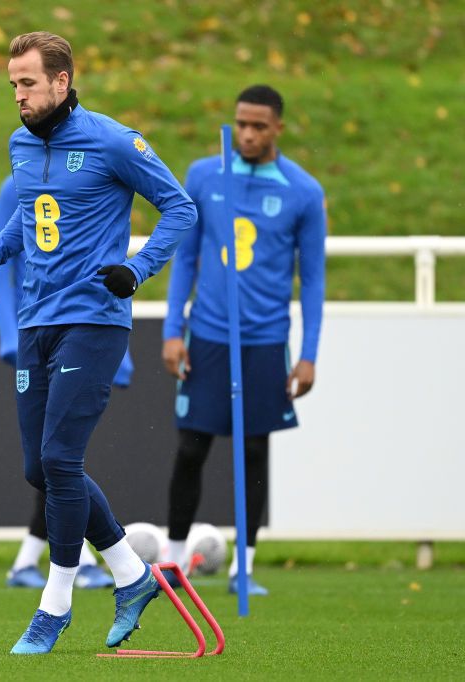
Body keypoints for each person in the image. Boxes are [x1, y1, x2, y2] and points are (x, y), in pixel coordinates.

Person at [0, 32, 197, 654]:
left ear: (62, 82)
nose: (18, 95)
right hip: (35, 321)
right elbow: (29, 211)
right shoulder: (21, 144)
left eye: (28, 83)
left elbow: (180, 208)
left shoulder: (113, 140)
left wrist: (138, 268)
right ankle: (131, 573)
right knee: (37, 468)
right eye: (13, 84)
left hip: (95, 318)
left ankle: (54, 605)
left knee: (61, 460)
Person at [161, 84, 326, 596]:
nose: (248, 134)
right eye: (241, 124)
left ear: (278, 127)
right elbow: (185, 257)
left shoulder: (303, 191)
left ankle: (245, 567)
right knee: (191, 448)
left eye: (259, 126)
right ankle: (170, 563)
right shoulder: (204, 175)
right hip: (208, 333)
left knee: (255, 450)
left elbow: (314, 279)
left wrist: (308, 355)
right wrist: (172, 330)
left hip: (265, 340)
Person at [0, 174, 129, 591]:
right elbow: (1, 259)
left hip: (85, 331)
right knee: (47, 462)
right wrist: (6, 334)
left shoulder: (95, 169)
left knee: (59, 458)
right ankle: (99, 563)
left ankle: (74, 563)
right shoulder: (18, 180)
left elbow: (98, 261)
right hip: (35, 332)